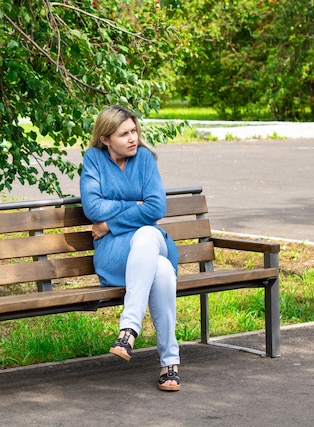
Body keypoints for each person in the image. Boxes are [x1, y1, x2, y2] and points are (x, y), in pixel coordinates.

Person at [79, 105, 181, 391]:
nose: (132, 138)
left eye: (134, 131)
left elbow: (157, 207)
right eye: (123, 134)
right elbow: (92, 206)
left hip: (148, 243)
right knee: (160, 269)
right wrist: (136, 207)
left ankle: (128, 330)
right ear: (105, 139)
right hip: (115, 256)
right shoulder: (94, 160)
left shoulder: (145, 159)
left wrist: (110, 223)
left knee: (148, 234)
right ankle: (170, 364)